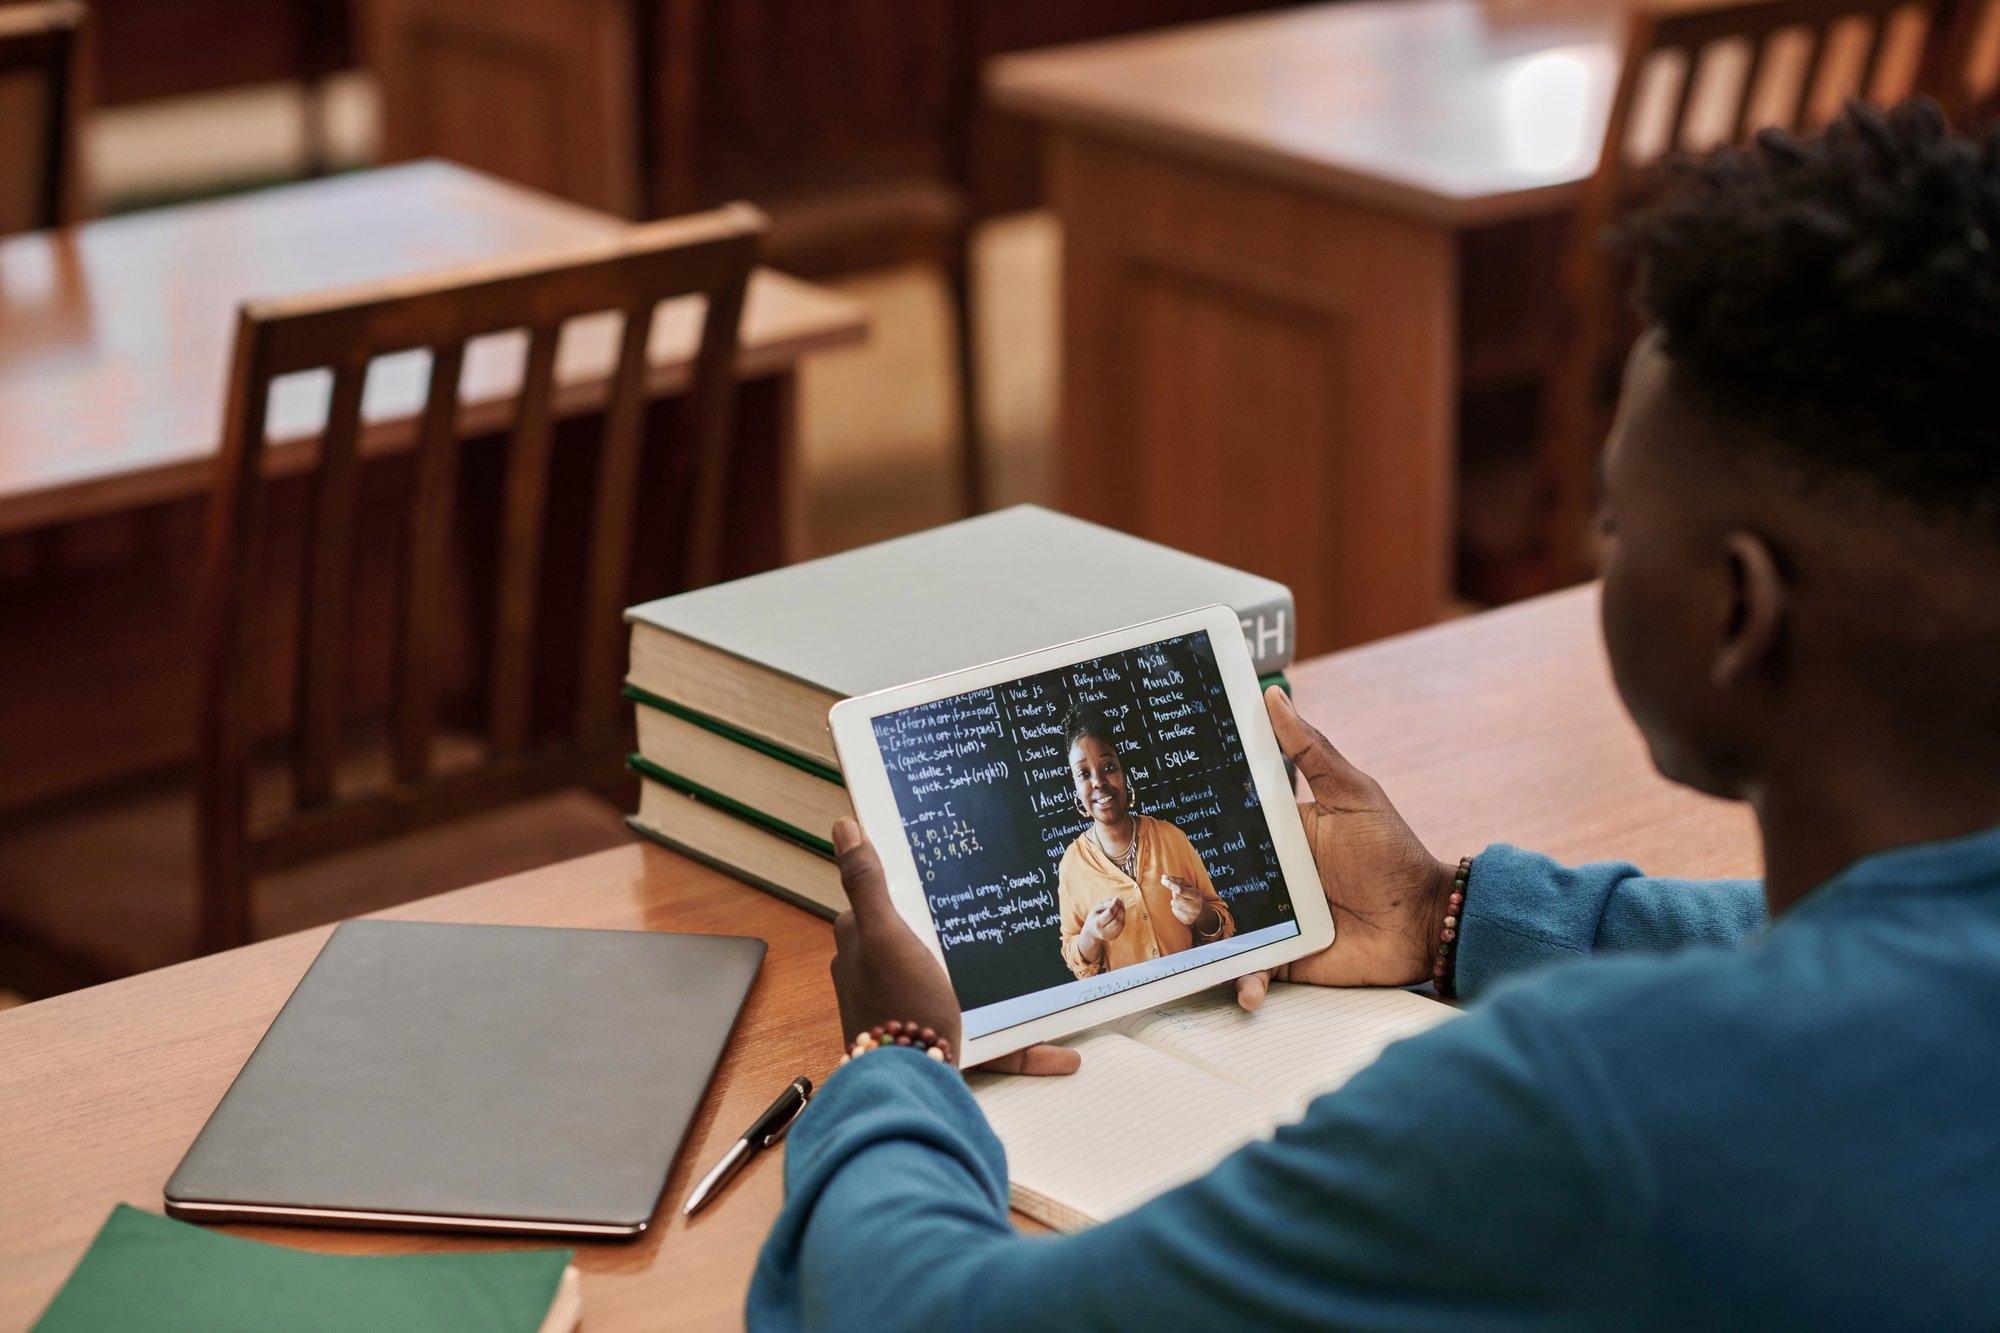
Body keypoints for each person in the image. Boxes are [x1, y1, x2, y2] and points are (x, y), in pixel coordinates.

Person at [749, 101, 2000, 1329]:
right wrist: (1447, 916)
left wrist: (900, 1056)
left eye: (1613, 523)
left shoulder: (1588, 1109)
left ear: (1737, 614)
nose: (1598, 555)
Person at [1055, 707, 1234, 977]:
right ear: (1076, 790)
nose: (1099, 783)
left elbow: (1221, 924)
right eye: (1083, 774)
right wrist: (1091, 934)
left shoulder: (1170, 837)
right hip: (1133, 1010)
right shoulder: (1072, 865)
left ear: (1125, 774)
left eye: (1108, 767)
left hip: (1195, 989)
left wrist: (1202, 914)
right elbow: (1077, 961)